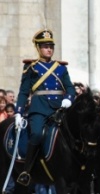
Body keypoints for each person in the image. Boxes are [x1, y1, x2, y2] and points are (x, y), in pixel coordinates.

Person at [15, 29, 75, 186]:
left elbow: (70, 88)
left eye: (51, 46)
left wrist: (68, 99)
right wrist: (18, 112)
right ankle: (26, 171)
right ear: (38, 48)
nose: (49, 49)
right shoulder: (31, 67)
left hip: (58, 109)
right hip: (39, 109)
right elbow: (23, 92)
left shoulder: (61, 68)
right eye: (45, 46)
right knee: (36, 134)